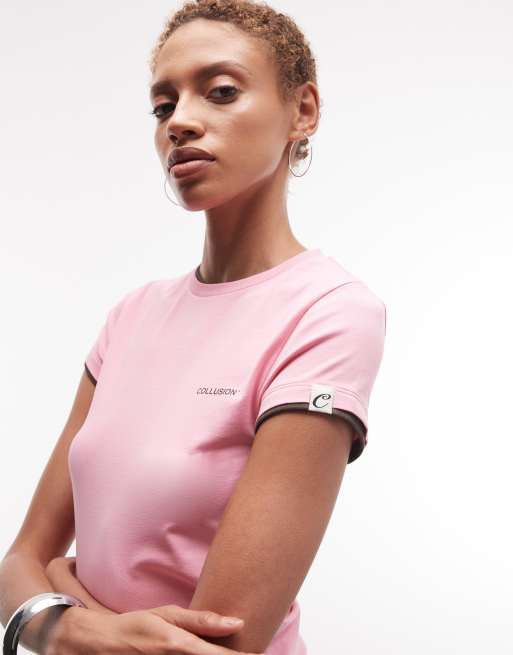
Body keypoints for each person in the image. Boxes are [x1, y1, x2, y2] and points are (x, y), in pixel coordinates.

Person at [0, 2, 387, 655]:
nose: (179, 121)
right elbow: (19, 562)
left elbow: (220, 641)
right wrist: (76, 627)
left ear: (302, 111)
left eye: (221, 91)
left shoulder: (328, 312)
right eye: (163, 106)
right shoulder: (131, 316)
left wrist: (57, 604)